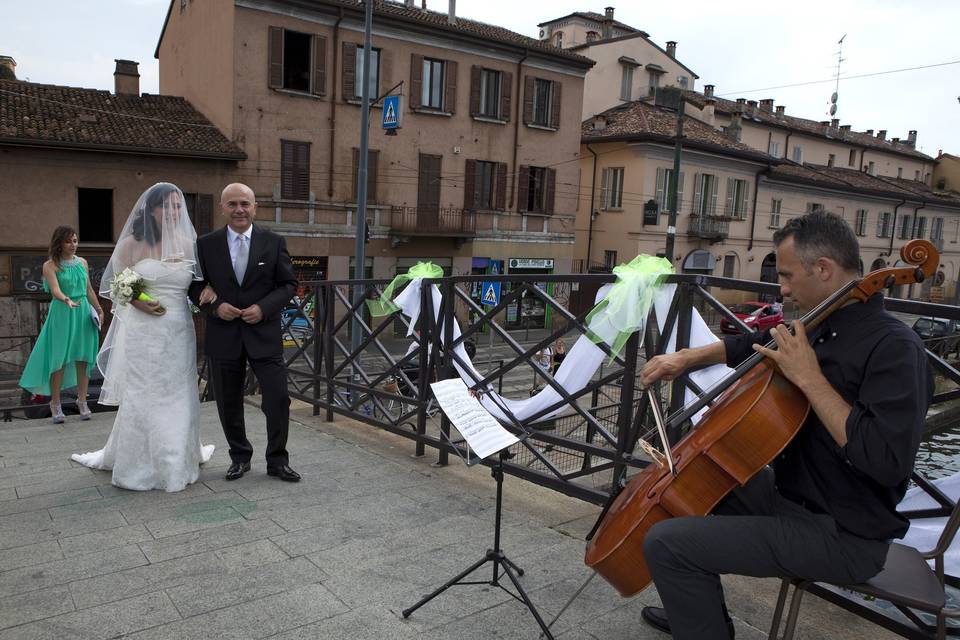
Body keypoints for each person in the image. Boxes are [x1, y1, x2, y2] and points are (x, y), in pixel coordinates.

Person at [636, 211, 933, 639]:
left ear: (824, 269)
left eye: (789, 275)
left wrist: (809, 378)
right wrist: (684, 358)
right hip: (792, 496)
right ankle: (698, 612)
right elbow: (752, 344)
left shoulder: (894, 348)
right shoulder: (820, 325)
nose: (783, 288)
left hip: (843, 532)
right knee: (691, 484)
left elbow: (886, 461)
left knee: (666, 544)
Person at [71, 183, 215, 492]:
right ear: (152, 209)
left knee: (178, 391)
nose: (173, 211)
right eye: (166, 206)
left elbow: (202, 281)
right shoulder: (132, 244)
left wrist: (210, 289)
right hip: (143, 331)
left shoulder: (190, 243)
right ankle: (139, 463)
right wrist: (136, 300)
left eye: (178, 206)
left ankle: (177, 458)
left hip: (178, 328)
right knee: (145, 392)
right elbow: (115, 283)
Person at [188, 183, 300, 482]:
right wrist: (215, 307)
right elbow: (194, 285)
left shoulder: (274, 241)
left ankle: (277, 460)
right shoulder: (205, 244)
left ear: (255, 207)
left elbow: (288, 285)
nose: (240, 209)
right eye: (233, 204)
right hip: (223, 335)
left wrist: (263, 308)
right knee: (228, 401)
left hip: (264, 334)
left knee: (277, 399)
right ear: (223, 208)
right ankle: (239, 457)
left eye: (245, 204)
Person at [20, 226, 103, 423]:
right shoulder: (50, 265)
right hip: (63, 312)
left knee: (84, 358)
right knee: (59, 360)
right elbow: (55, 290)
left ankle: (82, 401)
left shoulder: (82, 262)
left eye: (75, 241)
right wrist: (66, 299)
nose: (73, 245)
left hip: (83, 312)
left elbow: (89, 289)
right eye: (68, 241)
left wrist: (99, 310)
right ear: (59, 243)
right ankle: (55, 404)